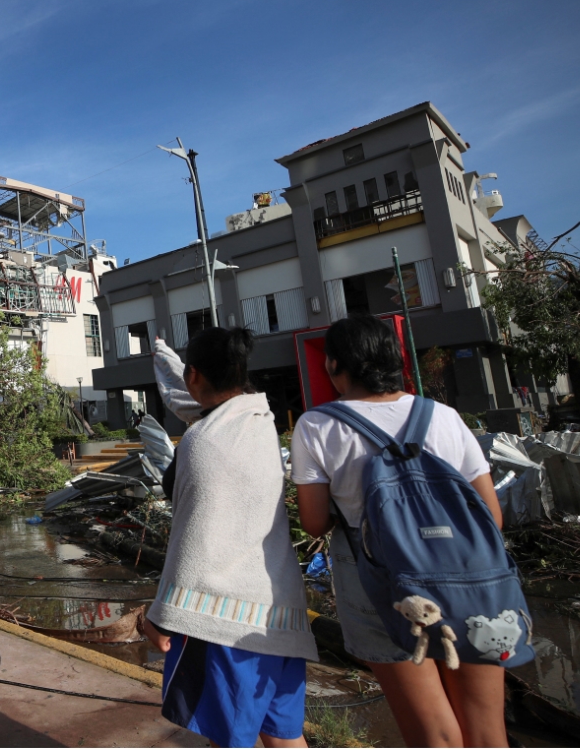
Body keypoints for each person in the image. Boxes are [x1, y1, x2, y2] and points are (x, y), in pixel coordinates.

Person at [291, 315, 506, 747]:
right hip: (469, 576)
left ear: (334, 365)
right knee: (486, 730)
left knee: (434, 734)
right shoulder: (444, 417)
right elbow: (491, 515)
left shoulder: (317, 426)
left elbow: (314, 523)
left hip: (380, 582)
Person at [143, 327, 317, 749]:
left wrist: (160, 612)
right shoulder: (260, 420)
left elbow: (194, 537)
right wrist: (164, 355)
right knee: (284, 737)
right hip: (280, 615)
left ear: (195, 375)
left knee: (227, 737)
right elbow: (190, 400)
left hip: (225, 622)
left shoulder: (201, 441)